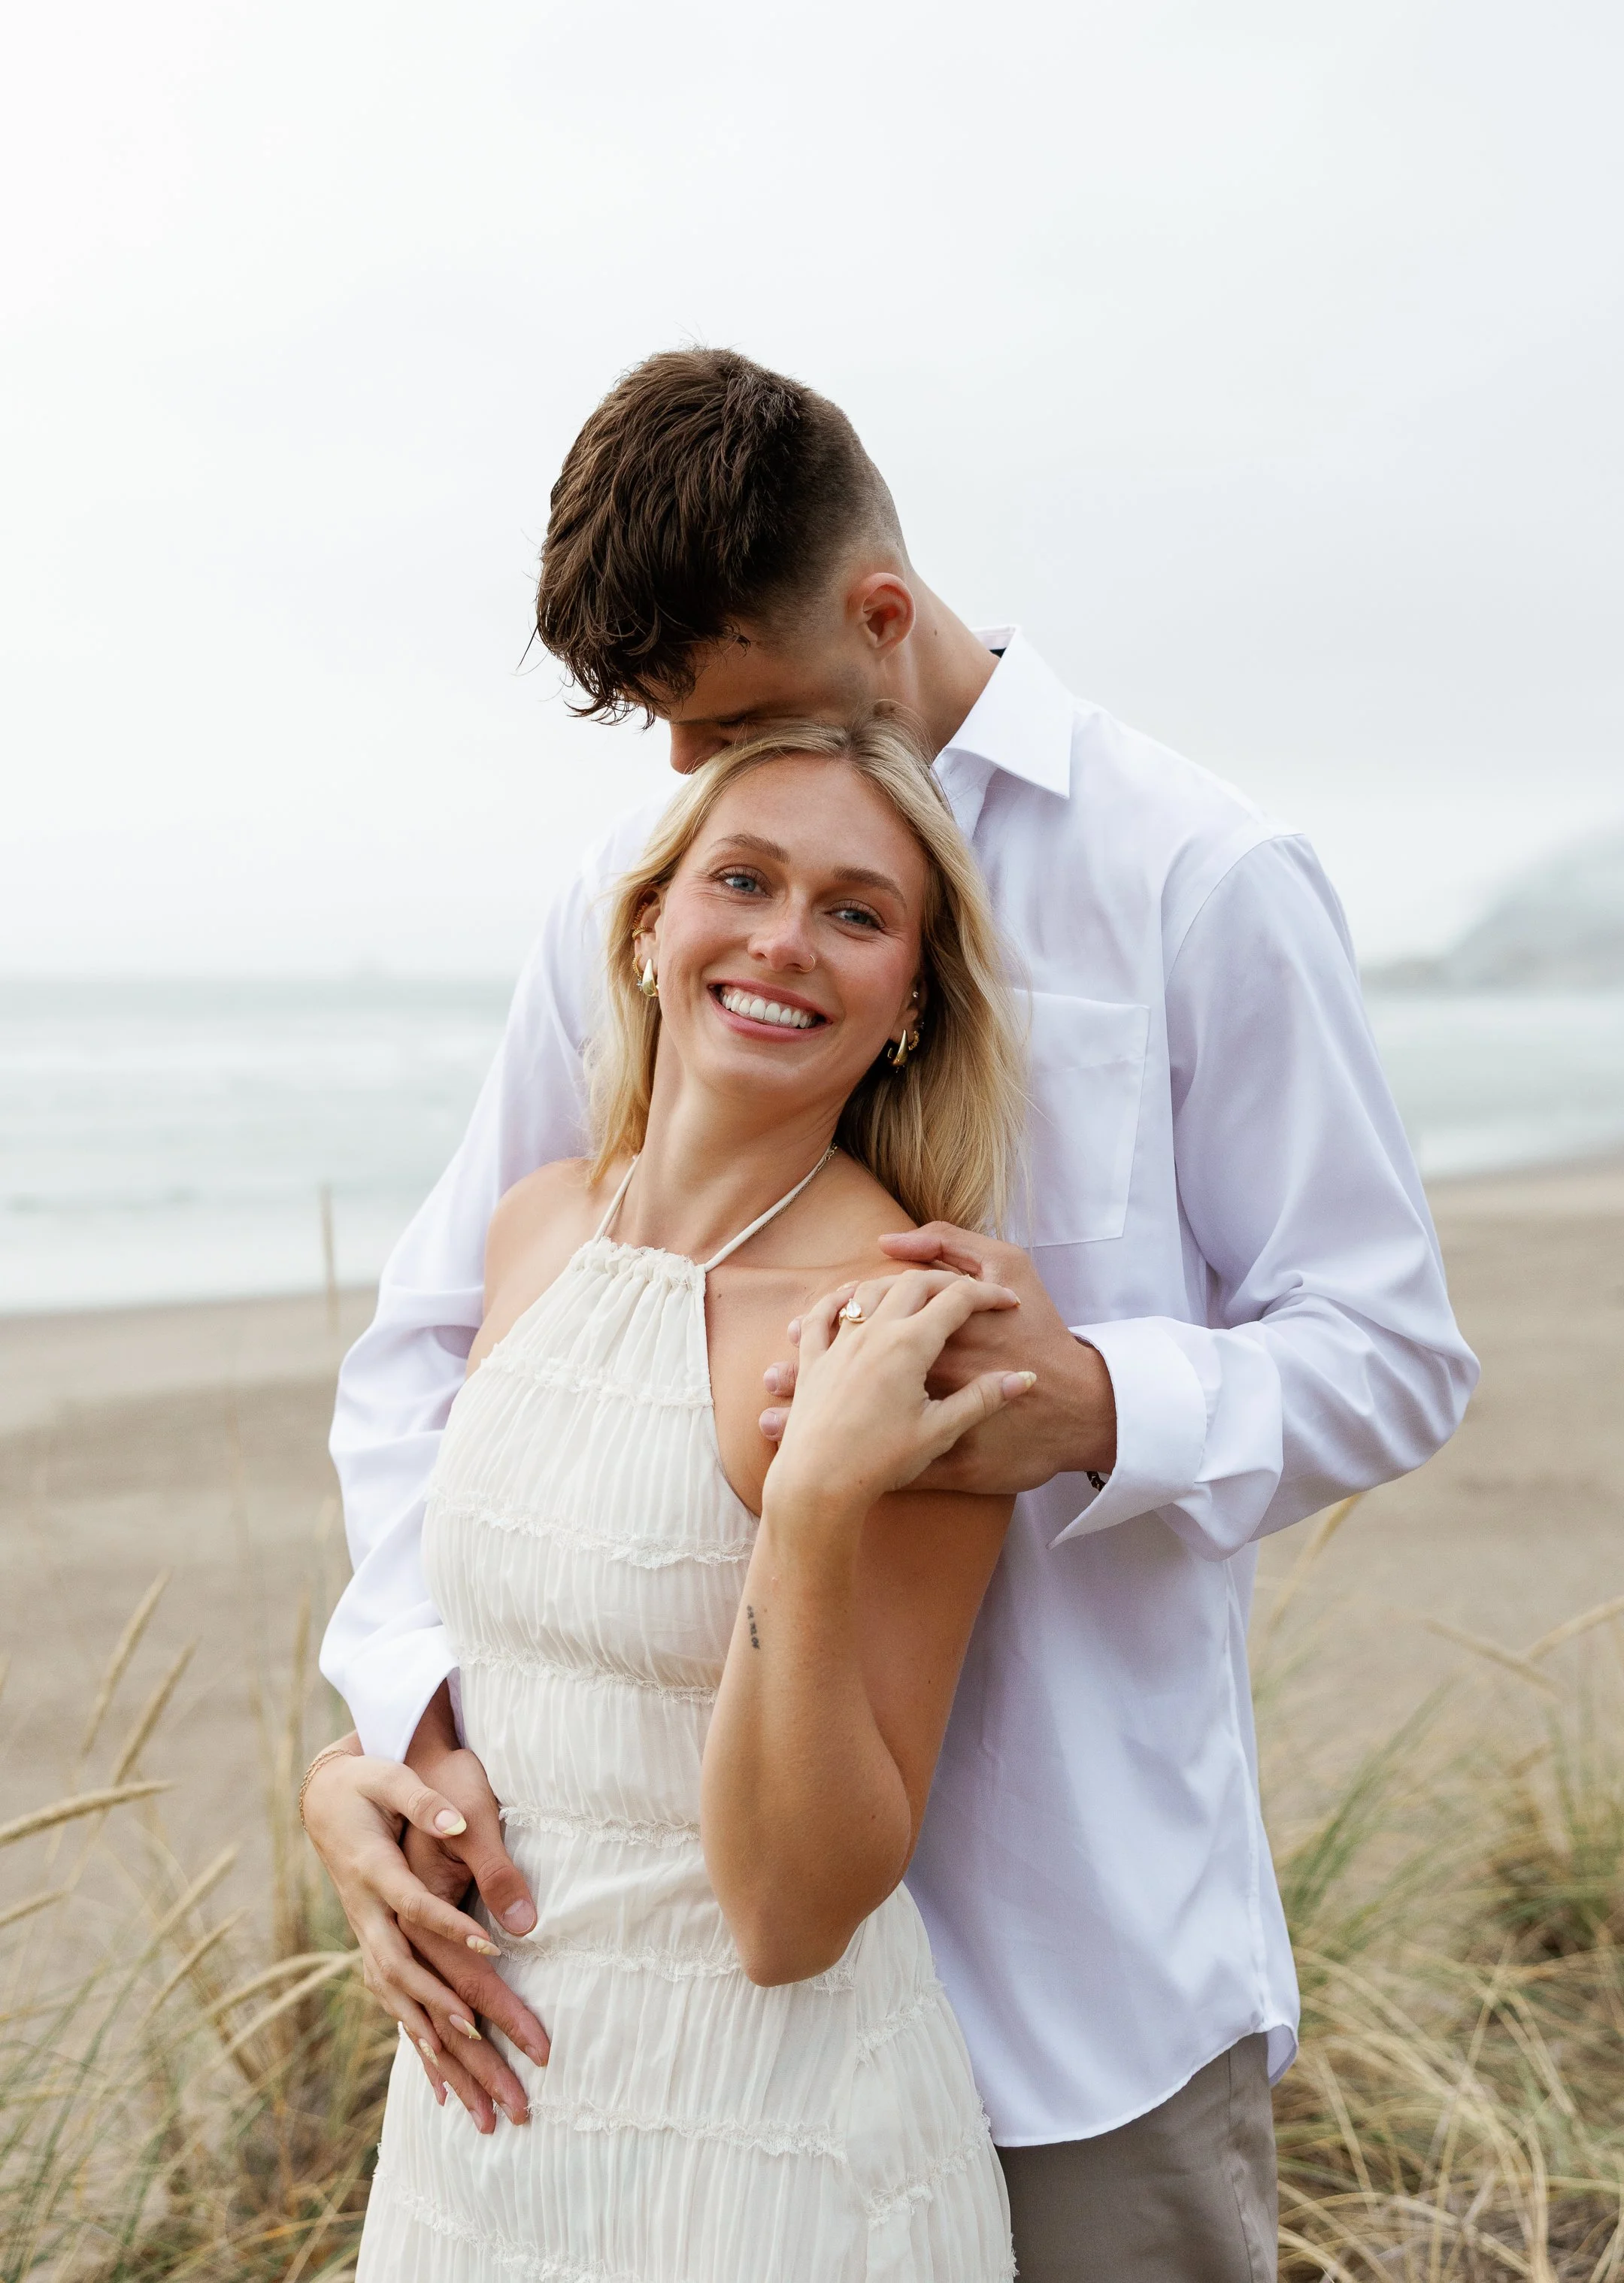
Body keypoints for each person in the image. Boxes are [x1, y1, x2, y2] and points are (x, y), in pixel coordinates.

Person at [304, 349, 1479, 2283]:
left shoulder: (1199, 876)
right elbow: (446, 1342)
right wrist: (403, 1725)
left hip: (1075, 1984)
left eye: (729, 713)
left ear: (874, 614)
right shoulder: (649, 891)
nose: (684, 775)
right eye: (671, 737)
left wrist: (1096, 1401)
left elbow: (1392, 1348)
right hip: (643, 2019)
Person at [352, 711, 1026, 2278]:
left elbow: (794, 1918)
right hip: (484, 2135)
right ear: (649, 926)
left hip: (766, 2153)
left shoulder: (899, 1331)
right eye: (744, 880)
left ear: (911, 1004)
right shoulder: (537, 1228)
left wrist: (811, 1514)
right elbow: (514, 1648)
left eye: (855, 913)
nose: (785, 941)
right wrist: (367, 1771)